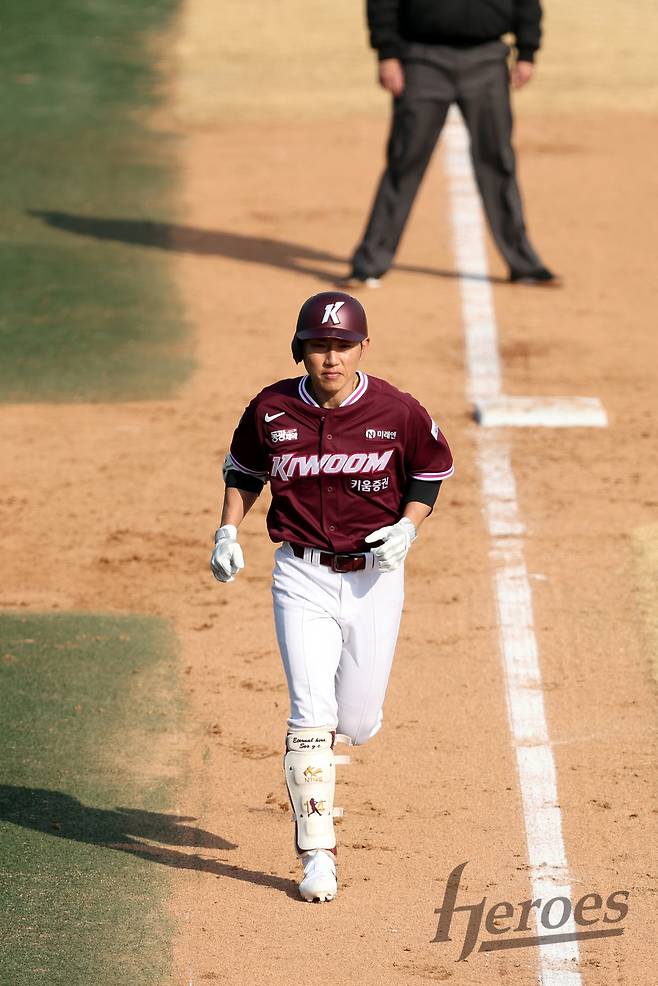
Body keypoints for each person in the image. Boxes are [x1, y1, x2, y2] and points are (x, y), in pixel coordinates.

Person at [210, 292, 453, 902]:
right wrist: (227, 531)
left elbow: (428, 472)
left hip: (375, 578)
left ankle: (340, 736)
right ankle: (317, 853)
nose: (332, 358)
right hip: (301, 575)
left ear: (363, 348)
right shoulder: (271, 409)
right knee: (309, 715)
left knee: (358, 722)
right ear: (301, 349)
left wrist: (408, 528)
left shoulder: (397, 410)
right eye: (320, 346)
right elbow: (245, 471)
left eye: (343, 346)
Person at [343, 0, 560, 287]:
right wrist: (387, 53)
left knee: (497, 161)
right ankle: (370, 262)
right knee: (404, 161)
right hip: (422, 60)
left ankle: (524, 263)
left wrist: (527, 50)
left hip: (487, 59)